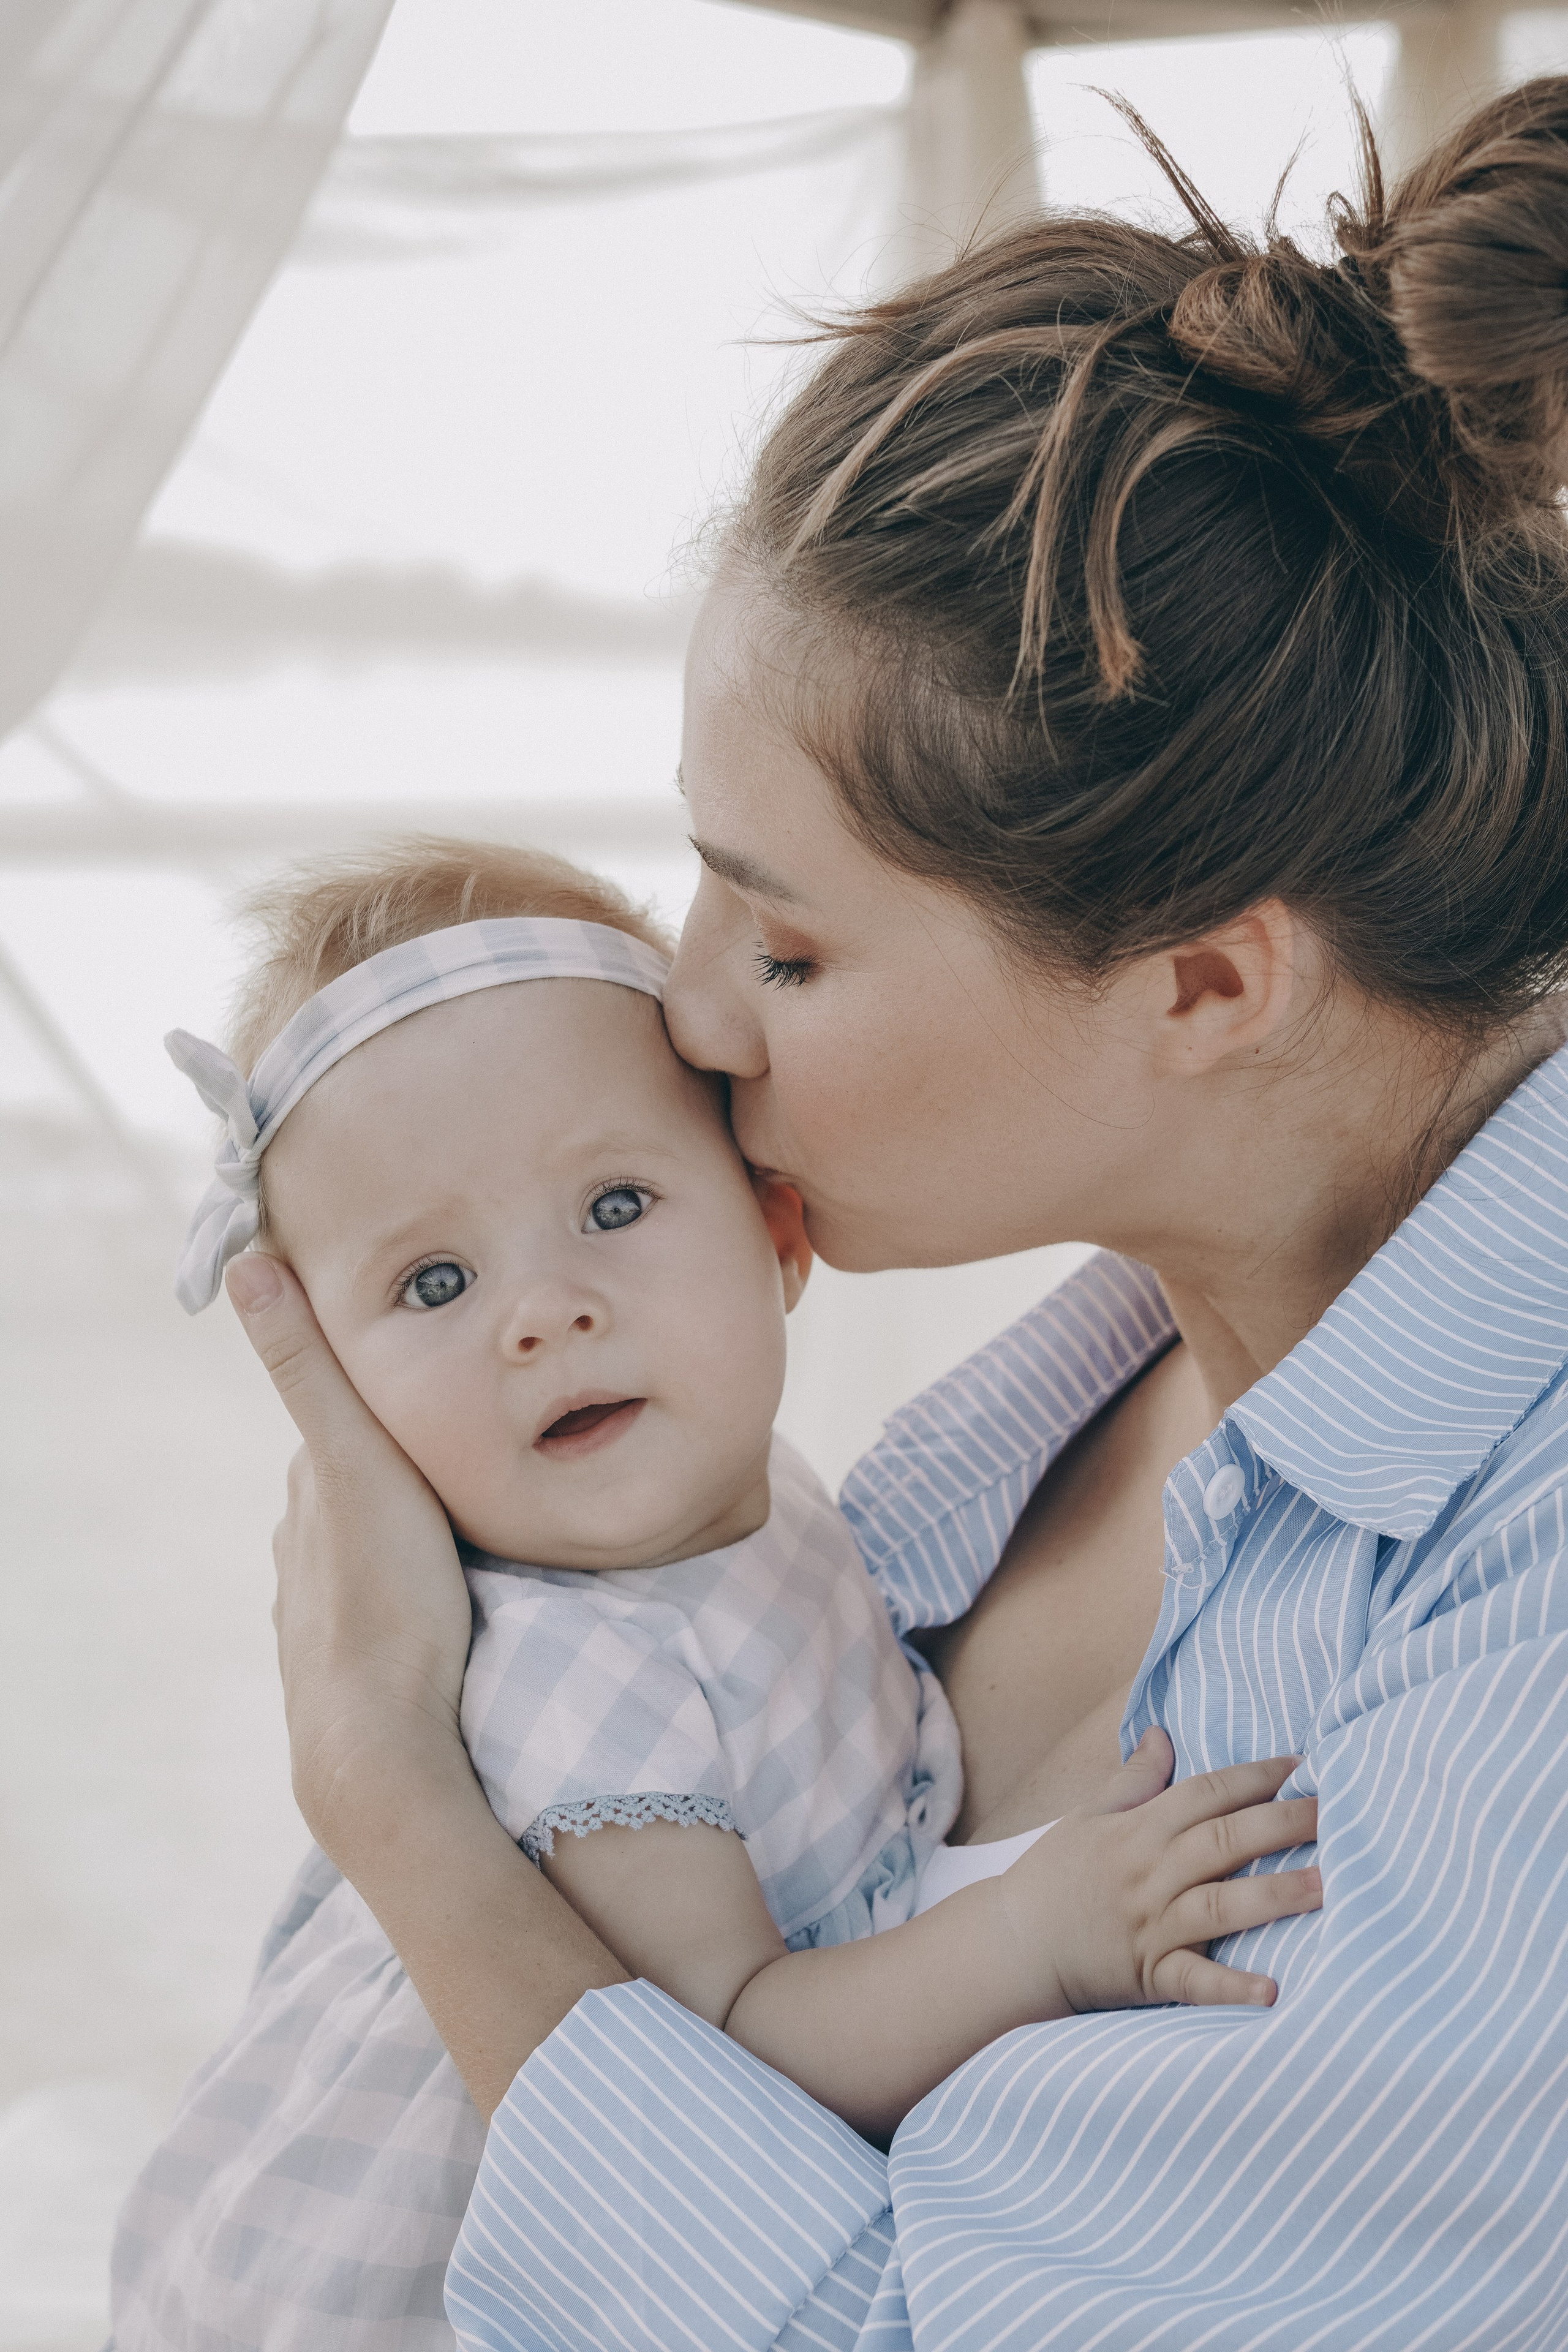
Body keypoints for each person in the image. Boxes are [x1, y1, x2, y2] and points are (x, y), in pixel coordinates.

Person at [223, 80, 1568, 2349]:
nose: (686, 1003)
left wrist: (400, 1809)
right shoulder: (1052, 1407)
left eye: (788, 940)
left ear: (1208, 983)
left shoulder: (1507, 1650)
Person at [110, 841, 1317, 2352]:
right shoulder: (572, 1676)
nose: (548, 1313)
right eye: (433, 1285)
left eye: (614, 1205)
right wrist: (1037, 1932)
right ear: (336, 1397)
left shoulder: (752, 1498)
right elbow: (740, 2049)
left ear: (776, 1229)